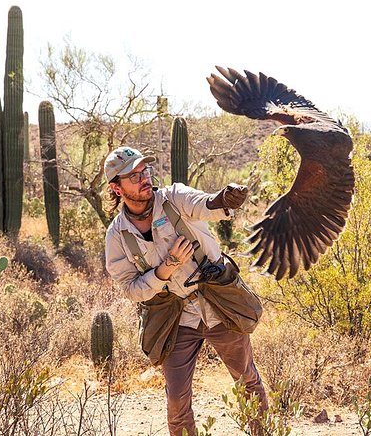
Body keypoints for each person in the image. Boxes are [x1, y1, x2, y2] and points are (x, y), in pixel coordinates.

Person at [103, 146, 268, 436]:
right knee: (177, 400)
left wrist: (224, 199)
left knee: (247, 380)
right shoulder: (117, 236)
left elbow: (206, 204)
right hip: (175, 319)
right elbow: (130, 288)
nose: (144, 178)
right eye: (134, 175)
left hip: (219, 304)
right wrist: (165, 270)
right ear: (117, 188)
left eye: (146, 171)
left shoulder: (174, 198)